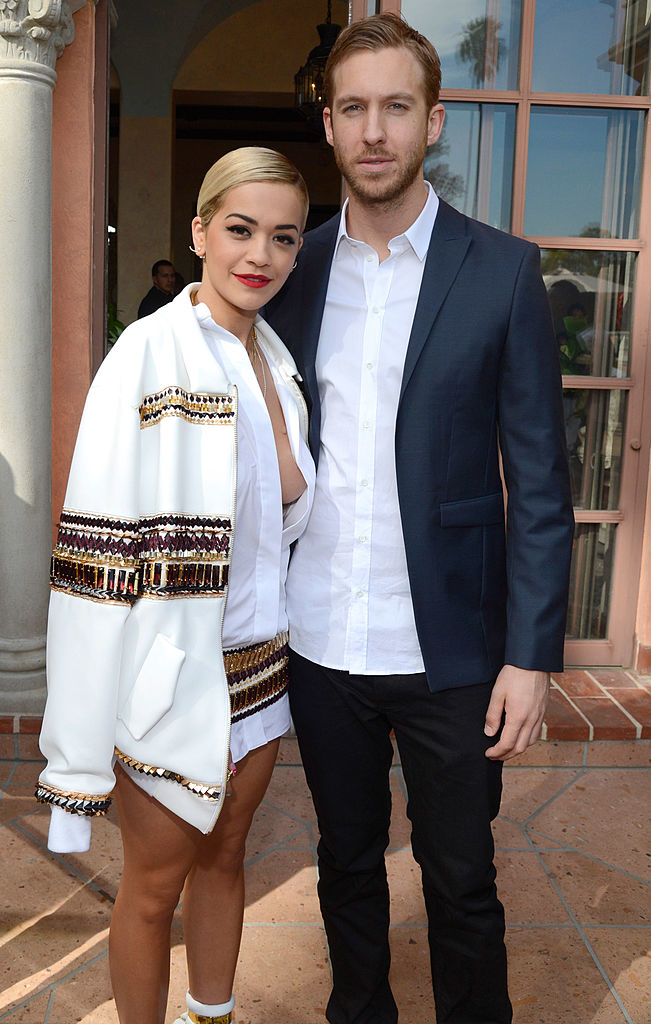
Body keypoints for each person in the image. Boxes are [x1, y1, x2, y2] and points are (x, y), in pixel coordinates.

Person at [264, 13, 574, 1024]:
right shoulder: (289, 275)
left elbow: (540, 479)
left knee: (460, 878)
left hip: (452, 649)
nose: (374, 130)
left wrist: (530, 658)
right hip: (320, 641)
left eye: (396, 106)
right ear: (329, 124)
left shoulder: (503, 272)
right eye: (352, 108)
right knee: (345, 864)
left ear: (433, 120)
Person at [36, 147, 314, 1024]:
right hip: (167, 680)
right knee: (152, 893)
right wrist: (74, 760)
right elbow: (93, 564)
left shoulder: (279, 363)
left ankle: (214, 1016)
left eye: (282, 237)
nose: (258, 255)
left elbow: (289, 524)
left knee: (227, 860)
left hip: (263, 673)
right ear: (198, 233)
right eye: (239, 229)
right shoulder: (144, 357)